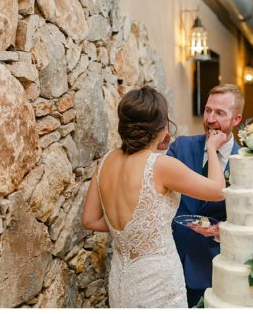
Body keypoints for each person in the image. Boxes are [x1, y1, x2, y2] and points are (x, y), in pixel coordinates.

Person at [81, 86, 228, 308]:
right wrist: (213, 147)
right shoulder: (160, 165)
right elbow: (218, 191)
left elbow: (90, 220)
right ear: (160, 126)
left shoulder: (106, 161)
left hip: (121, 280)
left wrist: (134, 231)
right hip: (158, 282)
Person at [166, 84, 244, 307]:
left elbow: (250, 219)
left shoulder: (245, 161)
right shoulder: (181, 147)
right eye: (208, 110)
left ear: (236, 119)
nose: (210, 119)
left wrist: (224, 230)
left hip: (215, 266)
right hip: (173, 261)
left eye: (220, 113)